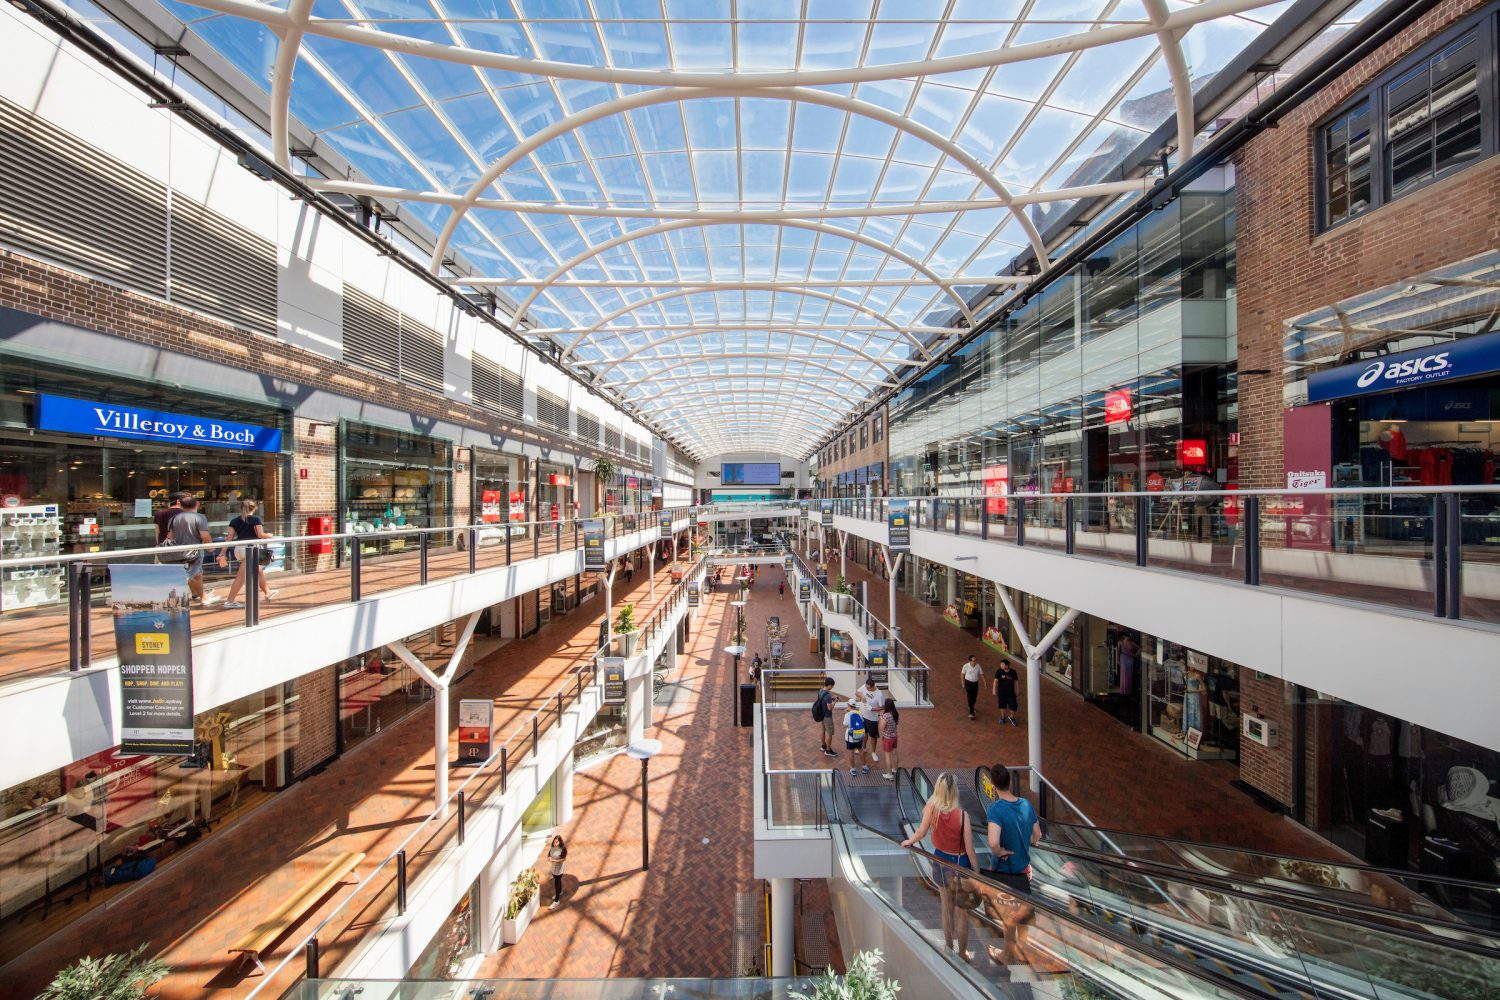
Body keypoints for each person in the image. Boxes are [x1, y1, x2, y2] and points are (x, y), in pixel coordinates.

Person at [901, 772, 979, 958]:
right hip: (961, 864)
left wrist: (909, 841)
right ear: (954, 792)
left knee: (946, 908)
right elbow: (970, 849)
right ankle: (963, 953)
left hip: (940, 861)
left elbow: (920, 832)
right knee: (962, 912)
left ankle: (949, 947)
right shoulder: (962, 816)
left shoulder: (931, 808)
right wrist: (976, 873)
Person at [985, 763, 1042, 895]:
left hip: (1003, 874)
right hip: (1023, 873)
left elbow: (993, 843)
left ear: (992, 783)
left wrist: (999, 852)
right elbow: (1038, 834)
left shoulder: (995, 810)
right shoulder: (1026, 804)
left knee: (1001, 911)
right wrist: (1030, 841)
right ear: (1009, 782)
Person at [217, 499, 279, 609]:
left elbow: (229, 538)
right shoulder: (256, 519)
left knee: (258, 570)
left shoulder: (234, 521)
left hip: (239, 549)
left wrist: (222, 553)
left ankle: (268, 592)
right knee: (241, 577)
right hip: (250, 550)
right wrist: (269, 535)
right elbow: (260, 534)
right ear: (254, 508)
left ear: (241, 508)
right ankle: (229, 601)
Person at [162, 496, 220, 606]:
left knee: (196, 574)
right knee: (191, 574)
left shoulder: (174, 518)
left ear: (181, 505)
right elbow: (204, 535)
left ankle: (203, 597)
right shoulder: (200, 517)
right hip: (194, 551)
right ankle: (171, 599)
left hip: (177, 551)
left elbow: (170, 536)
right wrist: (211, 546)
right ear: (197, 504)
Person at [858, 677, 885, 764]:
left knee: (873, 736)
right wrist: (862, 696)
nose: (866, 689)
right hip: (862, 715)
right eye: (866, 687)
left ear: (873, 687)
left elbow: (882, 707)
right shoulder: (865, 686)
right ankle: (863, 747)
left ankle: (873, 752)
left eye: (868, 688)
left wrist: (872, 709)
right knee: (864, 733)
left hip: (872, 718)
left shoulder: (879, 694)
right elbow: (857, 692)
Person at [842, 700, 869, 777]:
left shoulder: (847, 714)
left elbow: (845, 725)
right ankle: (864, 767)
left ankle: (853, 769)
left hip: (850, 737)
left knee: (851, 752)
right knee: (860, 750)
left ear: (848, 705)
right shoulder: (859, 712)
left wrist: (847, 713)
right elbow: (862, 722)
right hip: (859, 736)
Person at [814, 678, 839, 758]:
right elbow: (830, 708)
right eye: (832, 686)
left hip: (822, 714)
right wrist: (835, 702)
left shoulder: (821, 690)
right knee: (829, 733)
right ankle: (828, 750)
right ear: (829, 685)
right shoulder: (828, 695)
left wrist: (832, 698)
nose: (832, 687)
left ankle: (823, 746)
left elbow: (823, 701)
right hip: (827, 716)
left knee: (823, 730)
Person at [993, 660, 1020, 727]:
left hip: (1011, 693)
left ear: (1007, 666)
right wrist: (994, 690)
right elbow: (995, 681)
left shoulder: (1013, 672)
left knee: (1013, 706)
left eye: (1002, 664)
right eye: (1001, 664)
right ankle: (1003, 717)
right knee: (1002, 706)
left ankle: (1012, 717)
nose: (1001, 665)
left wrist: (1017, 690)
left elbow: (1016, 681)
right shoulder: (999, 671)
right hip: (1001, 693)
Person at [879, 697, 901, 780]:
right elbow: (897, 723)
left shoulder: (886, 716)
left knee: (887, 756)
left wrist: (881, 719)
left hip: (887, 738)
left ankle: (889, 774)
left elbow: (881, 727)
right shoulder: (896, 713)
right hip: (894, 736)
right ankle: (895, 769)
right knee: (895, 753)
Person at [547, 834, 568, 907]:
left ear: (560, 842)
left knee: (556, 883)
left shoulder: (563, 849)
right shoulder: (552, 848)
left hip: (559, 870)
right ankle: (560, 891)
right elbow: (549, 855)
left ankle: (556, 900)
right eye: (554, 842)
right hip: (553, 868)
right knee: (557, 881)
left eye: (556, 842)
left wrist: (555, 861)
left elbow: (564, 859)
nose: (555, 843)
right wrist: (549, 858)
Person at [961, 655, 983, 720]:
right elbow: (962, 674)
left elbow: (981, 674)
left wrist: (984, 682)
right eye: (974, 661)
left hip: (975, 683)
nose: (975, 662)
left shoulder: (978, 666)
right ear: (970, 661)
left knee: (974, 697)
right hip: (968, 683)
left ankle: (970, 706)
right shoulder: (966, 666)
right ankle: (971, 713)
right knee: (970, 696)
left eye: (976, 660)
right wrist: (962, 682)